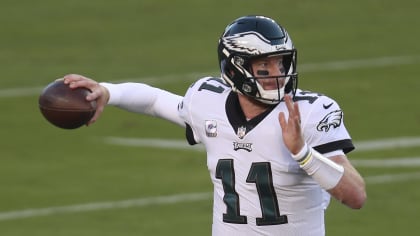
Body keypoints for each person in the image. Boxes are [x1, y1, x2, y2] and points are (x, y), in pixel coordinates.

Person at [63, 15, 366, 236]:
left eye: (281, 63)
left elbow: (356, 196)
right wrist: (108, 91)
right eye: (264, 67)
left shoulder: (309, 112)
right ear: (234, 70)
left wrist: (303, 153)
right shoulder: (206, 103)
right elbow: (156, 101)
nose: (277, 74)